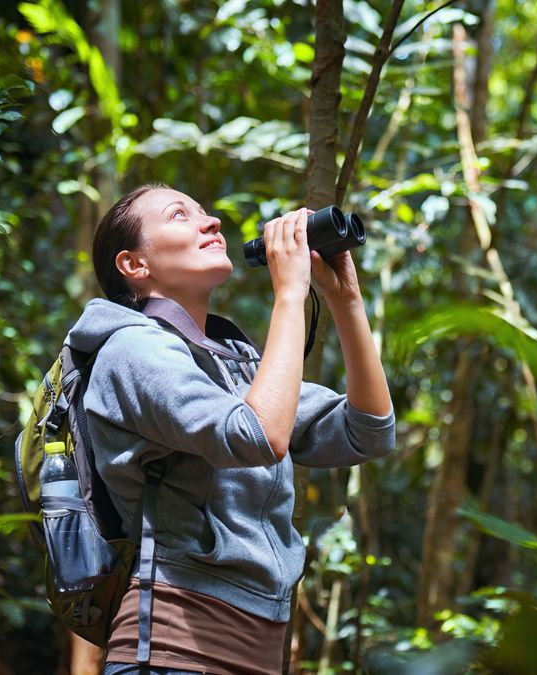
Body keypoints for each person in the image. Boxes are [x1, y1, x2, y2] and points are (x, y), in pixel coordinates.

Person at [64, 184, 396, 675]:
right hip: (172, 653)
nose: (211, 221)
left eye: (205, 211)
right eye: (181, 215)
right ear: (134, 265)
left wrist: (344, 299)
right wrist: (289, 294)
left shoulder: (233, 365)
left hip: (256, 650)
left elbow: (367, 430)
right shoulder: (130, 352)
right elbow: (258, 436)